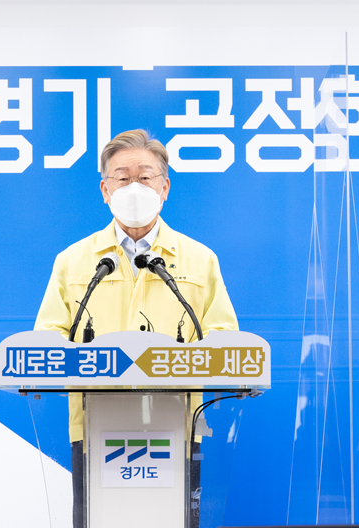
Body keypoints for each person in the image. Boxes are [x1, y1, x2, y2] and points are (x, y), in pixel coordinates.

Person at [33, 129, 238, 528]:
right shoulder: (73, 261)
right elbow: (45, 342)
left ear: (165, 187)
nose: (134, 187)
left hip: (176, 429)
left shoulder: (200, 260)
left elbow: (225, 342)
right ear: (105, 190)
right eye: (122, 178)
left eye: (144, 177)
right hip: (94, 430)